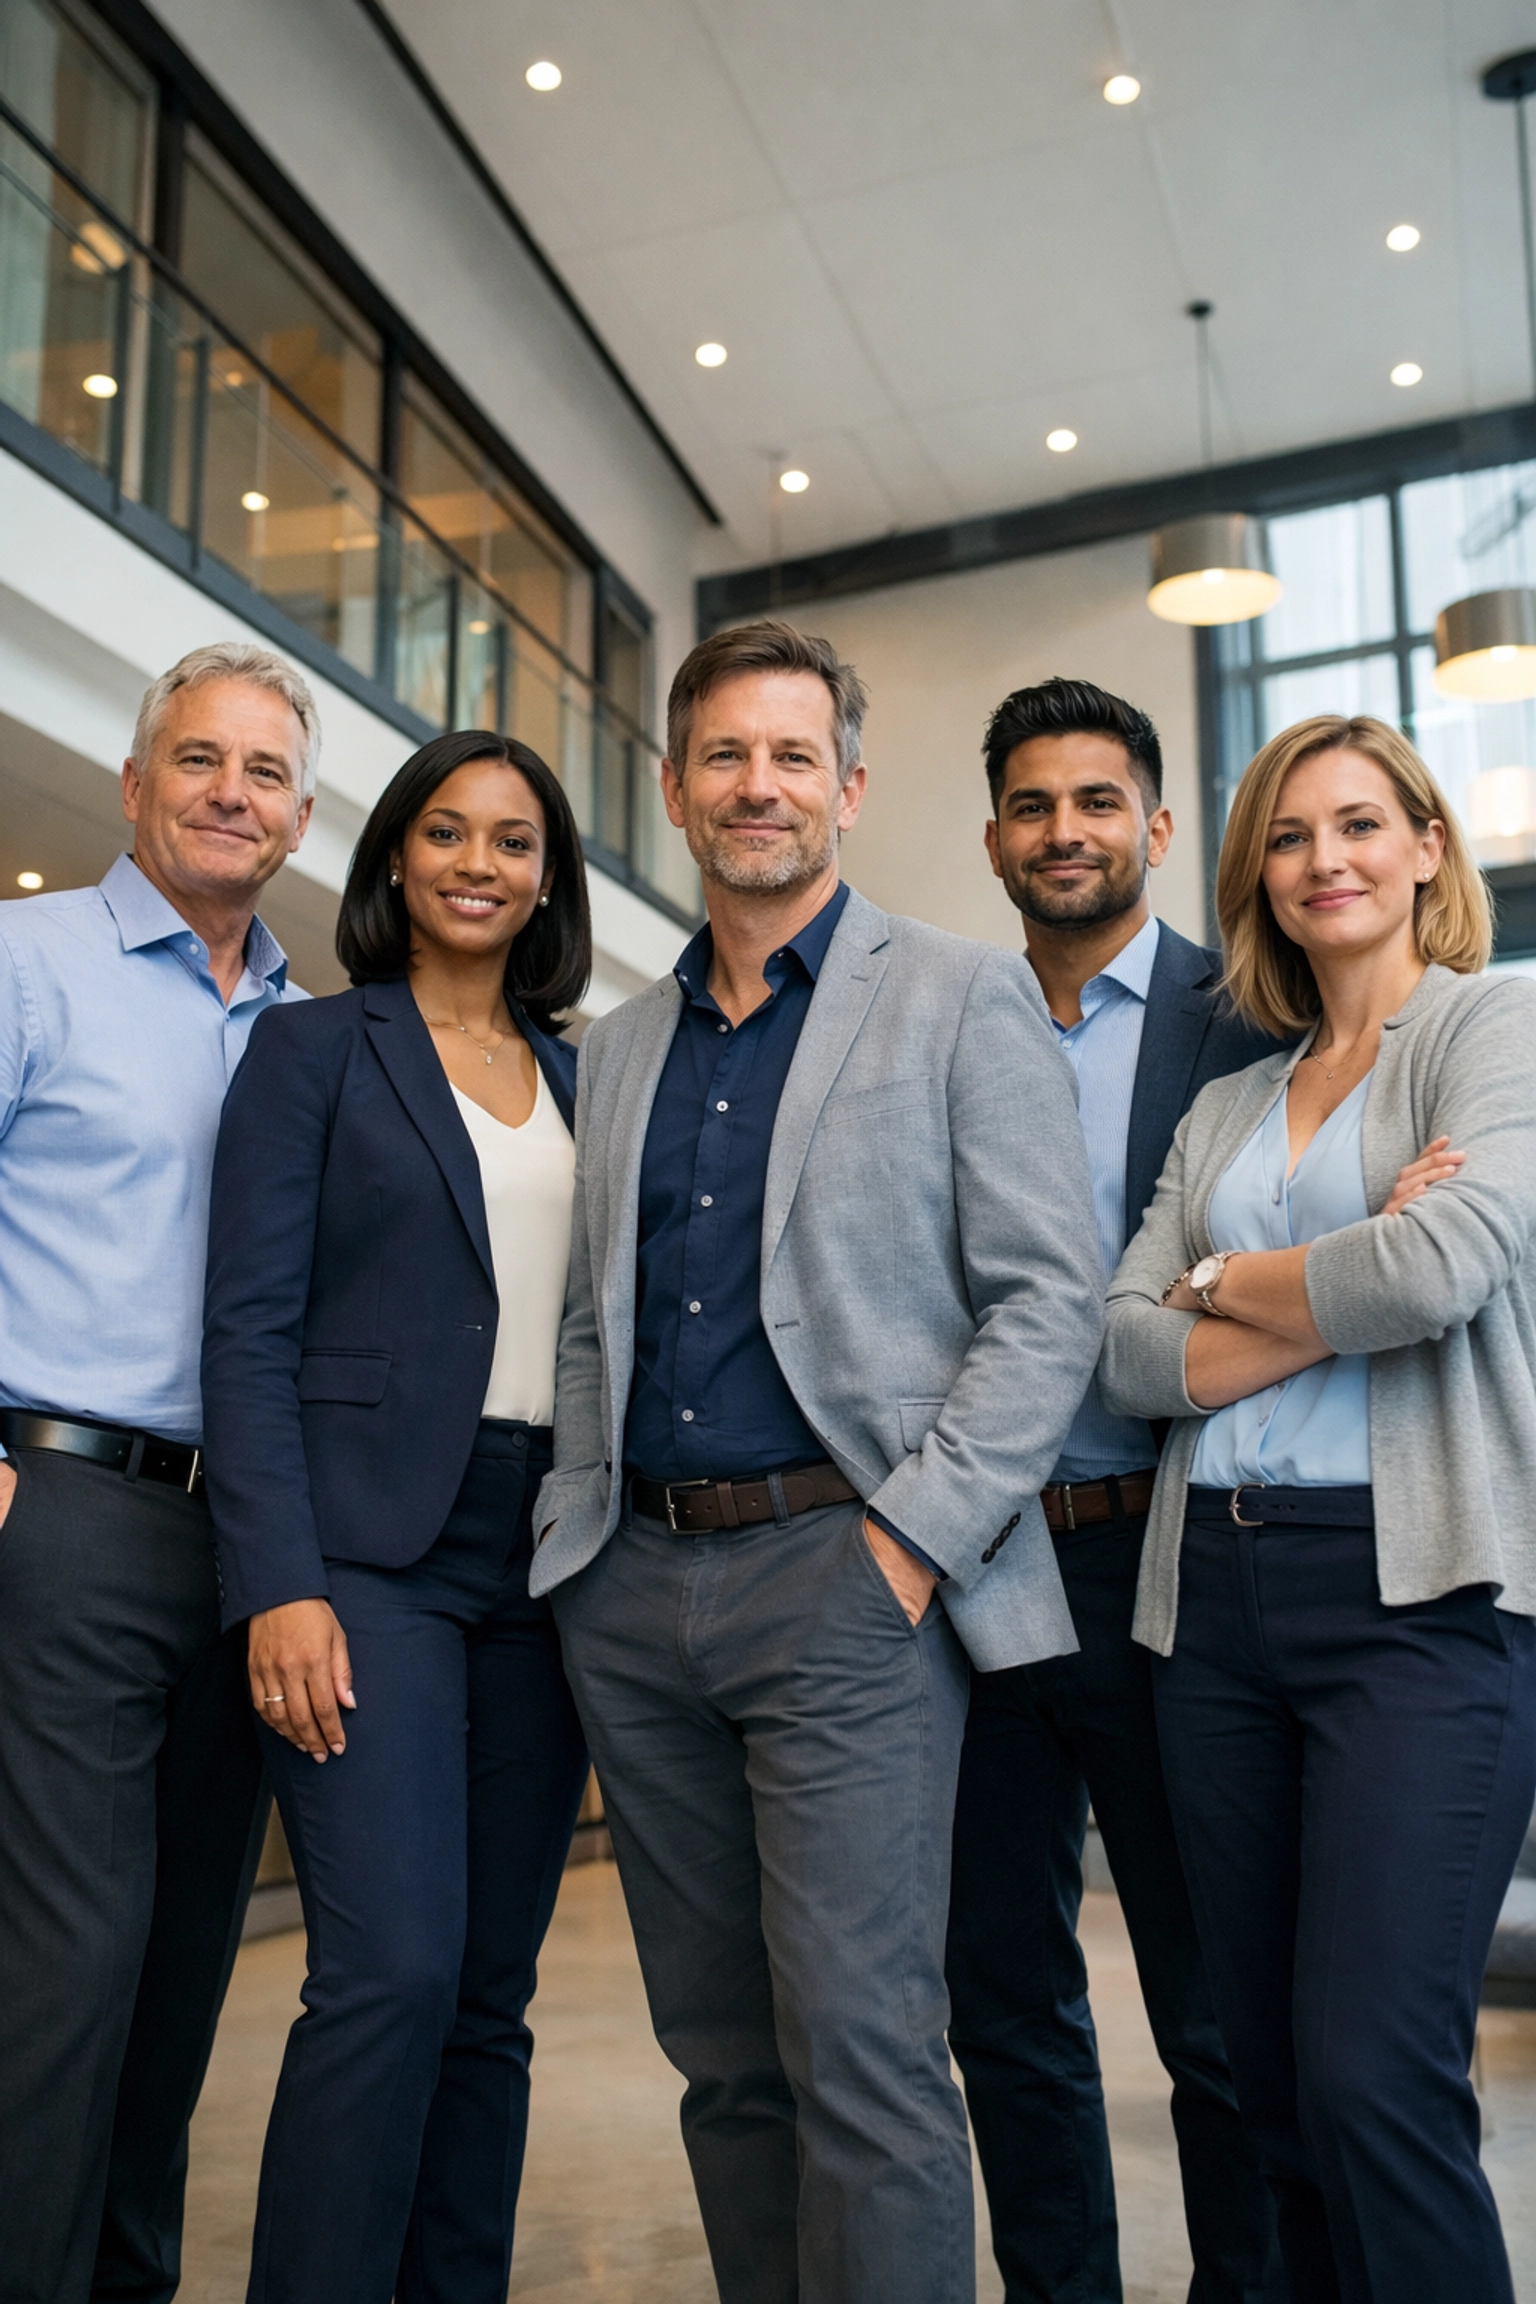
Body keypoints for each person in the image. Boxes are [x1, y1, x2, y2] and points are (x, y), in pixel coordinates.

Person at [530, 618, 1104, 2304]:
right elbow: (591, 1321)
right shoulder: (620, 1047)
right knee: (722, 2057)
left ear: (847, 789)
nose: (756, 785)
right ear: (674, 790)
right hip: (636, 1593)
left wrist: (909, 1546)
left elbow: (1047, 1306)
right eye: (725, 755)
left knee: (862, 2052)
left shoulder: (957, 991)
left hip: (844, 1583)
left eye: (792, 755)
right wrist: (583, 1544)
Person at [1101, 714, 1536, 2303]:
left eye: (1359, 825)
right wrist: (1304, 1294)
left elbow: (1440, 1268)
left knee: (1375, 2076)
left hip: (1415, 1601)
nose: (1323, 862)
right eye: (1288, 838)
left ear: (1427, 843)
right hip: (1206, 1608)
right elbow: (1124, 1344)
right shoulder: (1232, 1102)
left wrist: (1220, 1282)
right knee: (1265, 2081)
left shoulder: (1498, 1026)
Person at [200, 730, 592, 2304]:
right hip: (368, 1557)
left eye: (511, 840)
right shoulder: (313, 1051)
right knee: (389, 1973)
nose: (478, 865)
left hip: (546, 1558)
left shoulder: (586, 1070)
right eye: (447, 834)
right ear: (393, 862)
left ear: (547, 874)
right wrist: (276, 1581)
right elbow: (246, 1331)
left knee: (491, 1993)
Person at [946, 676, 1286, 2303]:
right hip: (988, 1568)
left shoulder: (1251, 1021)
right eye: (1032, 804)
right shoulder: (945, 1022)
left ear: (1153, 826)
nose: (1063, 831)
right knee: (1003, 1998)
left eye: (1096, 802)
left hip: (1178, 1564)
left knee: (1212, 2000)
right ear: (994, 834)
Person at [0, 641, 316, 2304]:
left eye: (263, 774)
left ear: (301, 817)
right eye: (199, 760)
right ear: (135, 787)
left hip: (246, 1537)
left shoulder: (311, 1026)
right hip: (59, 1508)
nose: (228, 793)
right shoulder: (27, 959)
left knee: (188, 1962)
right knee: (65, 1966)